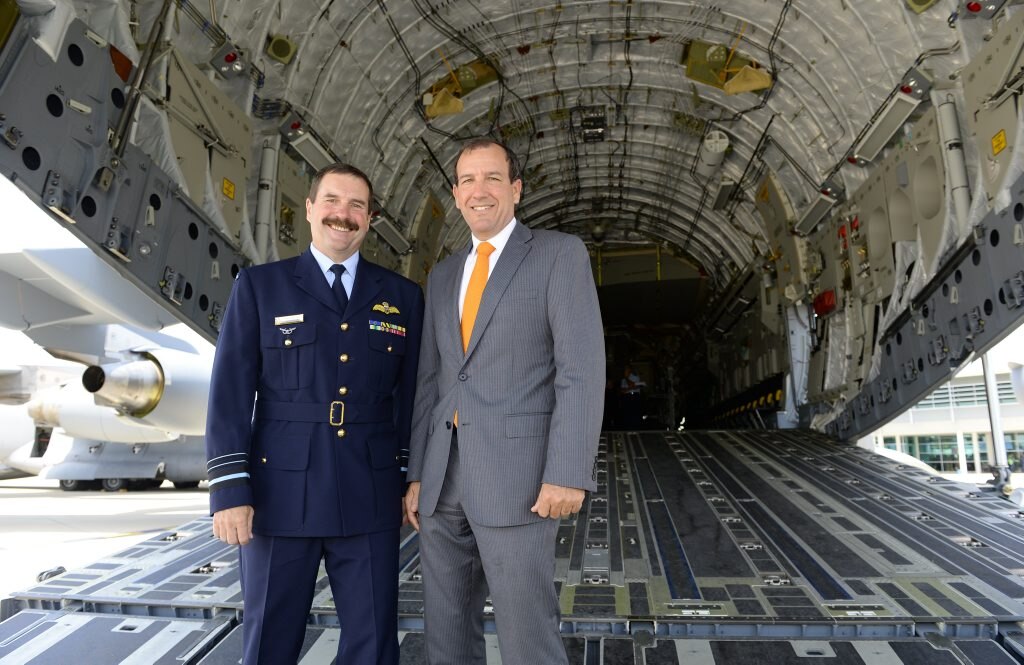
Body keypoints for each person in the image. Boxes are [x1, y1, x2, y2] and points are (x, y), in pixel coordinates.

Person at [205, 163, 423, 664]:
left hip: (369, 493)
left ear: (369, 219)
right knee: (269, 640)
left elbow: (412, 398)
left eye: (356, 206)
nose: (342, 215)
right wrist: (229, 491)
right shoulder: (261, 287)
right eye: (331, 201)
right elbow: (230, 394)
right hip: (279, 495)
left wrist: (413, 477)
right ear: (309, 209)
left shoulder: (402, 297)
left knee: (372, 642)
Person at [403, 138, 605, 665]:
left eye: (492, 178)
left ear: (515, 190)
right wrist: (418, 474)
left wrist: (568, 471)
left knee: (527, 639)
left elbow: (580, 371)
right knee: (445, 639)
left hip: (520, 482)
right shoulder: (443, 274)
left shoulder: (559, 255)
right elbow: (433, 381)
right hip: (443, 485)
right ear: (455, 194)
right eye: (467, 181)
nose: (479, 191)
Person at [619, 363, 646, 429]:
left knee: (635, 415)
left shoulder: (635, 377)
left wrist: (627, 379)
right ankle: (628, 428)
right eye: (624, 369)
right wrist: (630, 387)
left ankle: (636, 428)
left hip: (634, 396)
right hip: (626, 397)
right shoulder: (623, 380)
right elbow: (622, 390)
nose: (625, 370)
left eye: (626, 369)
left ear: (630, 370)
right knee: (627, 415)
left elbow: (632, 385)